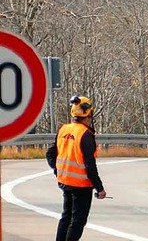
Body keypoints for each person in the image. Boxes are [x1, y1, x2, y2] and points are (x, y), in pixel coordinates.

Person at [46, 96, 107, 241]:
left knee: (66, 217)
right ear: (89, 114)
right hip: (81, 185)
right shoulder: (86, 134)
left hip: (65, 181)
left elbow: (50, 154)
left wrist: (58, 171)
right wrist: (100, 188)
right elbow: (90, 165)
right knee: (78, 221)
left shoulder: (64, 129)